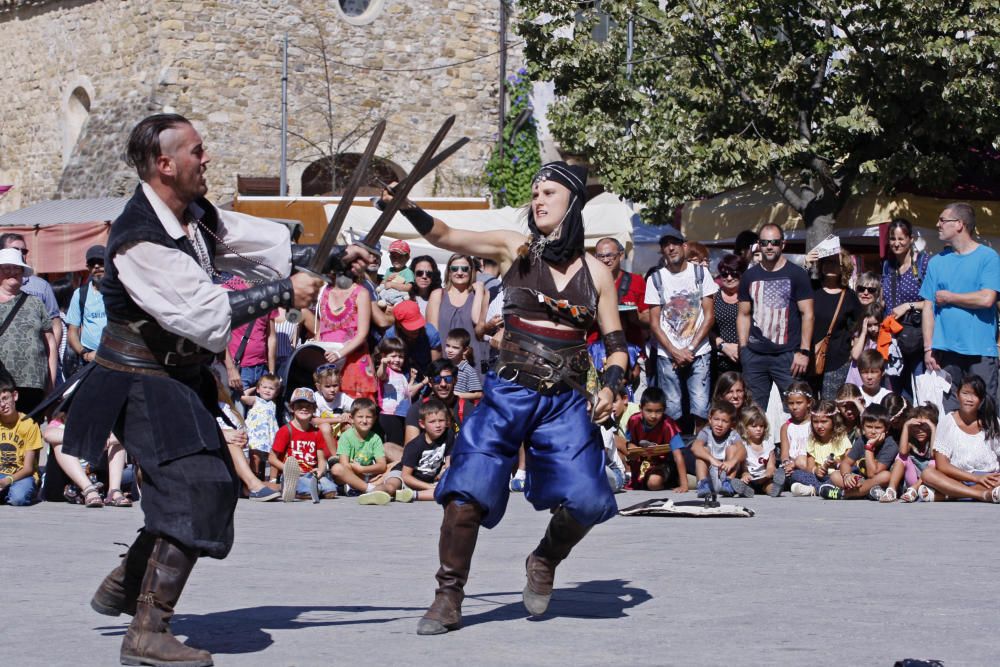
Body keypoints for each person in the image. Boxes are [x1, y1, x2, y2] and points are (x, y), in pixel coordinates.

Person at [61, 113, 373, 666]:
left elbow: (250, 246)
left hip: (174, 379)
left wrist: (328, 258)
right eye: (197, 152)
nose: (207, 160)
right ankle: (146, 631)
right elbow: (203, 316)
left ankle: (127, 583)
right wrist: (284, 292)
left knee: (209, 487)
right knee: (197, 488)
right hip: (138, 380)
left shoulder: (193, 216)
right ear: (164, 164)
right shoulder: (138, 239)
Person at [382, 160, 626, 634]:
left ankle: (544, 558)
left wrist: (612, 388)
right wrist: (407, 206)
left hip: (566, 401)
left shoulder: (598, 273)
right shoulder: (513, 248)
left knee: (590, 499)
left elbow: (615, 344)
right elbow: (447, 235)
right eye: (535, 192)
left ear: (572, 202)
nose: (538, 200)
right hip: (508, 391)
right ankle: (448, 596)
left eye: (549, 193)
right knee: (465, 491)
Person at [921, 203, 1000, 409]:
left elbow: (987, 299)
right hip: (945, 352)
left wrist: (950, 297)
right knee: (950, 416)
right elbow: (928, 307)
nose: (938, 224)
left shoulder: (988, 257)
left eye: (942, 220)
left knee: (985, 412)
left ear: (959, 224)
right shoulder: (936, 262)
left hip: (980, 351)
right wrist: (928, 347)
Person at [645, 228, 717, 431]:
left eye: (675, 243)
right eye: (666, 245)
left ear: (684, 246)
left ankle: (699, 453)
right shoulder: (656, 279)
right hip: (668, 352)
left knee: (701, 406)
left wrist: (690, 349)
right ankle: (674, 453)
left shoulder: (701, 274)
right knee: (671, 407)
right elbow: (654, 323)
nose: (671, 248)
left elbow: (709, 316)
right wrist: (675, 351)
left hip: (698, 350)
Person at [737, 223, 814, 410]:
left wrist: (804, 352)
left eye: (774, 242)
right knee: (753, 414)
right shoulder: (749, 276)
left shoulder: (797, 274)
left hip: (788, 356)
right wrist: (743, 349)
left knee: (797, 412)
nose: (769, 247)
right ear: (759, 245)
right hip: (755, 355)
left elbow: (808, 314)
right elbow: (743, 314)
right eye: (764, 243)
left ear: (783, 244)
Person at [918, 375, 1000, 502]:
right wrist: (976, 479)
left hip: (989, 478)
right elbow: (942, 465)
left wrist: (985, 477)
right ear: (957, 395)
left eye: (975, 395)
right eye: (965, 393)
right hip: (956, 477)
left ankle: (949, 494)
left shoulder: (992, 422)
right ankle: (982, 495)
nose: (969, 399)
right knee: (927, 474)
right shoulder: (947, 422)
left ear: (982, 399)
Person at [359, 397, 451, 505]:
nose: (438, 425)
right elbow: (406, 476)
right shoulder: (415, 446)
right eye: (432, 422)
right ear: (422, 424)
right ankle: (373, 495)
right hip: (403, 474)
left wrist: (444, 477)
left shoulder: (448, 436)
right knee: (391, 486)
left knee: (447, 491)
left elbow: (449, 465)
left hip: (427, 480)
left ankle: (407, 495)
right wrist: (429, 487)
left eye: (441, 421)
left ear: (447, 421)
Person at [0, 247, 57, 413]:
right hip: (2, 384)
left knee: (30, 431)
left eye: (17, 268)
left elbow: (51, 345)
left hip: (33, 384)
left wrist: (51, 383)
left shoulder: (35, 303)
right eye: (7, 268)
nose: (13, 272)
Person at [308, 266, 377, 401]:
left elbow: (362, 334)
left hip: (353, 361)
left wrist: (339, 354)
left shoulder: (361, 293)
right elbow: (321, 328)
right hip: (328, 360)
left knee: (357, 411)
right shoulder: (325, 291)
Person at [882, 218, 931, 397]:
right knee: (898, 393)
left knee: (922, 391)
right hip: (894, 339)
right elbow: (885, 300)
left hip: (917, 338)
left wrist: (908, 306)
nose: (896, 243)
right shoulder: (888, 266)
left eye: (901, 239)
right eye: (893, 239)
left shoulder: (923, 263)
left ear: (911, 239)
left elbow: (933, 301)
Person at [0, 233, 62, 363]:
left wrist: (49, 357)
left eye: (24, 250)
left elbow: (54, 323)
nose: (20, 253)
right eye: (15, 250)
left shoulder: (42, 286)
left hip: (35, 368)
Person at [808, 249, 861, 399]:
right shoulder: (811, 288)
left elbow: (859, 324)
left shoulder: (850, 296)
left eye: (834, 263)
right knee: (808, 405)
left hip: (837, 361)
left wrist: (854, 347)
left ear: (843, 267)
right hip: (809, 359)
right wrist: (806, 263)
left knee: (830, 408)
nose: (829, 266)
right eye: (826, 262)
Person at [269, 387, 337, 501]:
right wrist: (288, 469)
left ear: (314, 409)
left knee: (331, 491)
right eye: (299, 405)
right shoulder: (286, 430)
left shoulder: (316, 433)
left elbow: (321, 460)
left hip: (311, 473)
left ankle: (309, 489)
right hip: (292, 475)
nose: (304, 408)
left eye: (308, 406)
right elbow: (272, 458)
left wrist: (320, 471)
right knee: (307, 491)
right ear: (292, 408)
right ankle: (290, 488)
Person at [427, 253, 488, 375]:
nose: (459, 272)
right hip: (444, 368)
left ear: (472, 271)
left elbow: (482, 327)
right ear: (448, 272)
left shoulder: (480, 294)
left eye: (465, 269)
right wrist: (435, 370)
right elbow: (433, 336)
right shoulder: (438, 295)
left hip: (474, 366)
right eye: (454, 269)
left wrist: (480, 292)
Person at [222, 274, 278, 397]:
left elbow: (271, 336)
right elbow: (219, 334)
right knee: (238, 414)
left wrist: (271, 372)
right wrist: (231, 369)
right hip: (238, 369)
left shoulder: (268, 293)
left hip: (261, 369)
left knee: (261, 414)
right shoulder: (228, 289)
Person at [625, 386, 688, 492]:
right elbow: (629, 443)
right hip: (641, 462)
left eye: (658, 411)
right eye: (649, 411)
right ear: (641, 408)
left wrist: (684, 485)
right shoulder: (633, 421)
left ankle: (672, 481)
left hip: (663, 464)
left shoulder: (668, 425)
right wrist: (634, 450)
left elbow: (678, 456)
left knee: (653, 483)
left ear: (664, 410)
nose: (653, 416)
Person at [829, 404, 898, 500]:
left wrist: (869, 447)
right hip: (863, 481)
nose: (873, 431)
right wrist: (847, 476)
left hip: (879, 480)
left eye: (878, 428)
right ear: (863, 427)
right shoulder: (862, 440)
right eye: (869, 427)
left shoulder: (890, 445)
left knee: (886, 476)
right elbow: (846, 462)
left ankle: (846, 494)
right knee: (835, 475)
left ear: (886, 429)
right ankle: (867, 492)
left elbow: (872, 474)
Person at [690, 400, 752, 498]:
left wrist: (731, 462)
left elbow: (742, 451)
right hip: (709, 478)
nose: (719, 424)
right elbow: (695, 447)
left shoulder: (733, 434)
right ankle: (703, 485)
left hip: (726, 475)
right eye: (716, 419)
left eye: (724, 421)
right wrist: (713, 460)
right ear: (710, 419)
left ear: (731, 423)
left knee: (733, 449)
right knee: (702, 451)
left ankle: (728, 484)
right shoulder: (706, 432)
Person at [64, 244, 108, 379]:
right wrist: (84, 354)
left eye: (101, 262)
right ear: (88, 267)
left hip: (115, 356)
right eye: (92, 263)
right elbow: (72, 331)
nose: (96, 267)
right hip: (89, 359)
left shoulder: (119, 292)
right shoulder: (80, 294)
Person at [332, 397, 387, 497]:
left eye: (369, 417)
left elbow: (382, 465)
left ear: (374, 419)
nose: (364, 421)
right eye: (360, 417)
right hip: (350, 474)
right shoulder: (346, 436)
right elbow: (344, 464)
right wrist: (360, 473)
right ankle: (370, 488)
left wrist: (362, 470)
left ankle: (360, 487)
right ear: (352, 419)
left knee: (396, 465)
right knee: (337, 469)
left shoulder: (375, 438)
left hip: (367, 473)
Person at [883, 403, 938, 503]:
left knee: (935, 461)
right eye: (916, 427)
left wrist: (933, 427)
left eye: (924, 426)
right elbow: (903, 452)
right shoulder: (911, 442)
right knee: (901, 457)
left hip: (927, 482)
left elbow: (934, 454)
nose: (920, 430)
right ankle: (891, 490)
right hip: (912, 480)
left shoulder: (934, 441)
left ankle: (914, 490)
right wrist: (906, 425)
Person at [0, 381, 42, 506]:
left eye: (5, 398)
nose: (2, 405)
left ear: (15, 396)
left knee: (18, 499)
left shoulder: (29, 424)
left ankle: (29, 490)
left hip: (22, 475)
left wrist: (8, 480)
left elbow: (28, 468)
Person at [805, 400, 853, 499]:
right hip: (820, 477)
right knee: (796, 475)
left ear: (833, 421)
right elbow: (809, 467)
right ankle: (828, 490)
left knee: (854, 471)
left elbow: (851, 463)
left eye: (824, 421)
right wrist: (816, 470)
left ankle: (816, 489)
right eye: (815, 422)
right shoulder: (812, 439)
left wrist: (836, 463)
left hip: (838, 475)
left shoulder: (842, 438)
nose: (819, 426)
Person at [779, 382, 820, 497]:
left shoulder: (815, 423)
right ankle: (808, 487)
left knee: (802, 465)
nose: (794, 407)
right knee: (790, 475)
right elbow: (784, 454)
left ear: (809, 403)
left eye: (799, 403)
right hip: (794, 469)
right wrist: (786, 464)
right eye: (791, 403)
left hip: (812, 465)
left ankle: (818, 487)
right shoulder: (786, 427)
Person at [710, 253, 746, 377]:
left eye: (734, 273)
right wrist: (722, 346)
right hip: (718, 360)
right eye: (725, 274)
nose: (729, 278)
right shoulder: (714, 296)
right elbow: (704, 327)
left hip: (746, 361)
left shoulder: (749, 296)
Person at [385, 300, 443, 376]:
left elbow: (436, 367)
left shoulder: (431, 333)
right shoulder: (390, 335)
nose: (416, 329)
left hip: (425, 377)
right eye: (411, 326)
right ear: (399, 324)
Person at [242, 373, 281, 484]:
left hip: (269, 435)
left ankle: (271, 480)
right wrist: (255, 388)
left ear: (276, 392)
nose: (267, 390)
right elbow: (243, 397)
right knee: (255, 456)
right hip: (256, 434)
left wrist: (261, 387)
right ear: (258, 389)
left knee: (271, 456)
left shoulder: (273, 403)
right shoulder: (255, 400)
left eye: (271, 388)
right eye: (264, 387)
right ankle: (255, 477)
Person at [310, 364, 354, 459]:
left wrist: (348, 414)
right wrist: (338, 419)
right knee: (325, 427)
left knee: (349, 426)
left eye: (335, 385)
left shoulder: (342, 397)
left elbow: (357, 408)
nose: (332, 390)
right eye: (328, 386)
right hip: (320, 435)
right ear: (319, 387)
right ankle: (335, 457)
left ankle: (352, 455)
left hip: (338, 433)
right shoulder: (316, 398)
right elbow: (314, 420)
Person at [739, 404, 783, 497]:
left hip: (764, 478)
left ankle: (774, 490)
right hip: (750, 478)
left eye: (761, 426)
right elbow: (743, 467)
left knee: (769, 484)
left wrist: (769, 472)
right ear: (745, 427)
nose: (759, 429)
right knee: (743, 483)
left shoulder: (767, 444)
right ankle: (746, 491)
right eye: (754, 426)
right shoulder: (743, 445)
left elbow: (771, 466)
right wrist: (745, 474)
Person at [445, 328, 483, 402]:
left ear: (465, 350)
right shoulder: (444, 366)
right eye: (447, 346)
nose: (449, 350)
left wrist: (457, 395)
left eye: (455, 348)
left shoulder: (468, 370)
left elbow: (478, 394)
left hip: (460, 409)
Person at [376, 239, 415, 308]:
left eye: (400, 257)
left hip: (399, 297)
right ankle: (383, 301)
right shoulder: (389, 270)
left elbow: (408, 287)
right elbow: (382, 284)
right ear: (390, 257)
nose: (397, 259)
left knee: (404, 297)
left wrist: (392, 284)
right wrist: (387, 280)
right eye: (394, 257)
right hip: (387, 296)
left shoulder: (408, 272)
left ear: (407, 258)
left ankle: (398, 303)